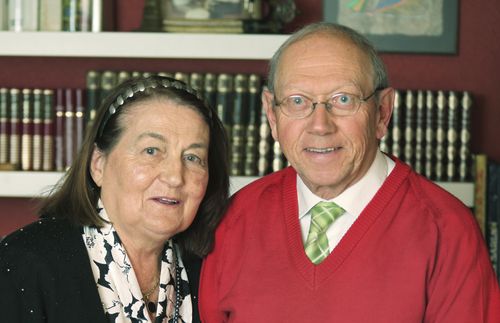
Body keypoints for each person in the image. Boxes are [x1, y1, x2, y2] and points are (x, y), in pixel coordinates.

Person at [199, 22, 500, 322]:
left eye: (343, 99)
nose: (320, 126)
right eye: (297, 101)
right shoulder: (234, 219)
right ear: (272, 115)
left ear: (383, 112)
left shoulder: (447, 230)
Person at [0, 74, 229, 322]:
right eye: (151, 151)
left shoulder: (214, 269)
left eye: (193, 158)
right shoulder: (25, 263)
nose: (175, 176)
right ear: (98, 165)